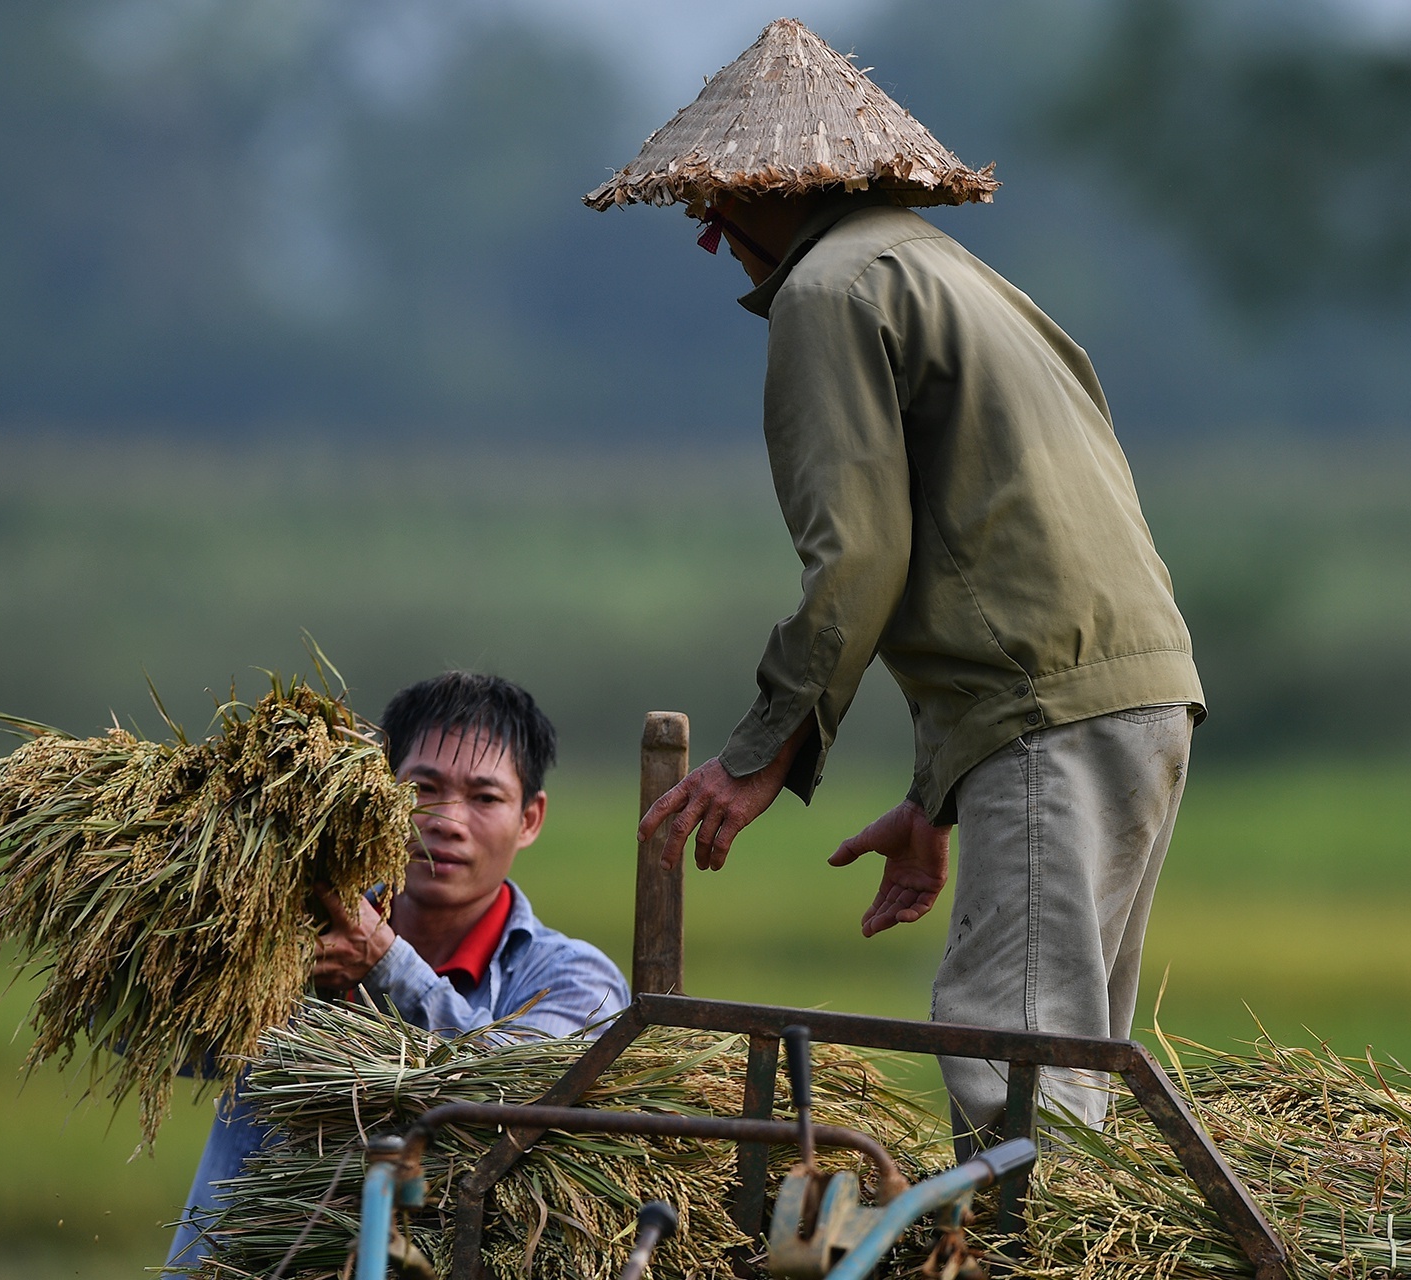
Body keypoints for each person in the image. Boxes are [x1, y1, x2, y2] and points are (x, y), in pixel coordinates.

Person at [589, 20, 1204, 1151]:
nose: (713, 240)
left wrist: (755, 755)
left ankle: (1020, 1240)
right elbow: (989, 552)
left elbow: (860, 558)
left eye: (710, 210)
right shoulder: (952, 273)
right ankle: (1051, 1227)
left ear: (765, 191)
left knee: (1014, 1066)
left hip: (1051, 712)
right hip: (1134, 695)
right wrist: (934, 798)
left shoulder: (829, 291)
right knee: (1071, 1059)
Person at [166, 672, 629, 1271]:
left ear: (530, 819)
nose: (447, 820)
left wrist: (386, 965)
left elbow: (522, 1087)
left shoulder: (577, 980)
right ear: (380, 793)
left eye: (485, 798)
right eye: (423, 788)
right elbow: (157, 1039)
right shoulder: (292, 933)